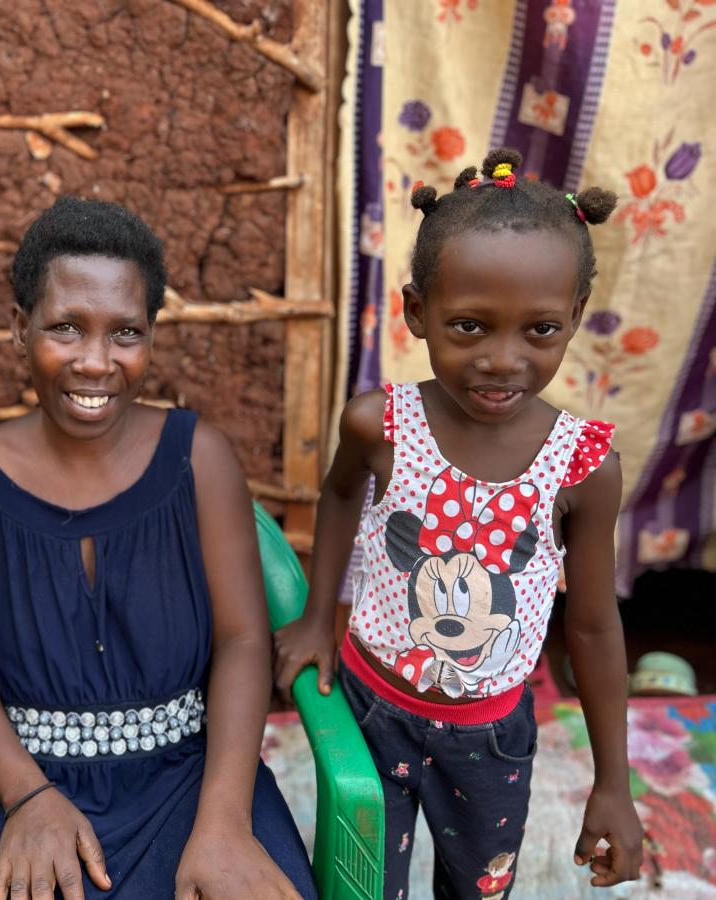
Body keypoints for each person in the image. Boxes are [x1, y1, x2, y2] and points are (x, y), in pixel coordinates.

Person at [0, 196, 317, 900]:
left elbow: (244, 640)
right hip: (27, 777)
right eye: (66, 328)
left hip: (198, 774)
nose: (96, 362)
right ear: (19, 327)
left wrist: (225, 822)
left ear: (151, 335)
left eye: (125, 332)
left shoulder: (202, 461)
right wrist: (25, 796)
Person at [273, 149, 644, 899]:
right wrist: (319, 617)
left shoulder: (582, 467)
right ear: (417, 312)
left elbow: (596, 629)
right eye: (469, 326)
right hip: (372, 710)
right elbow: (341, 497)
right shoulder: (380, 426)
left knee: (476, 890)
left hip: (492, 742)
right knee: (363, 882)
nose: (502, 361)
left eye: (540, 330)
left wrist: (615, 783)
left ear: (573, 318)